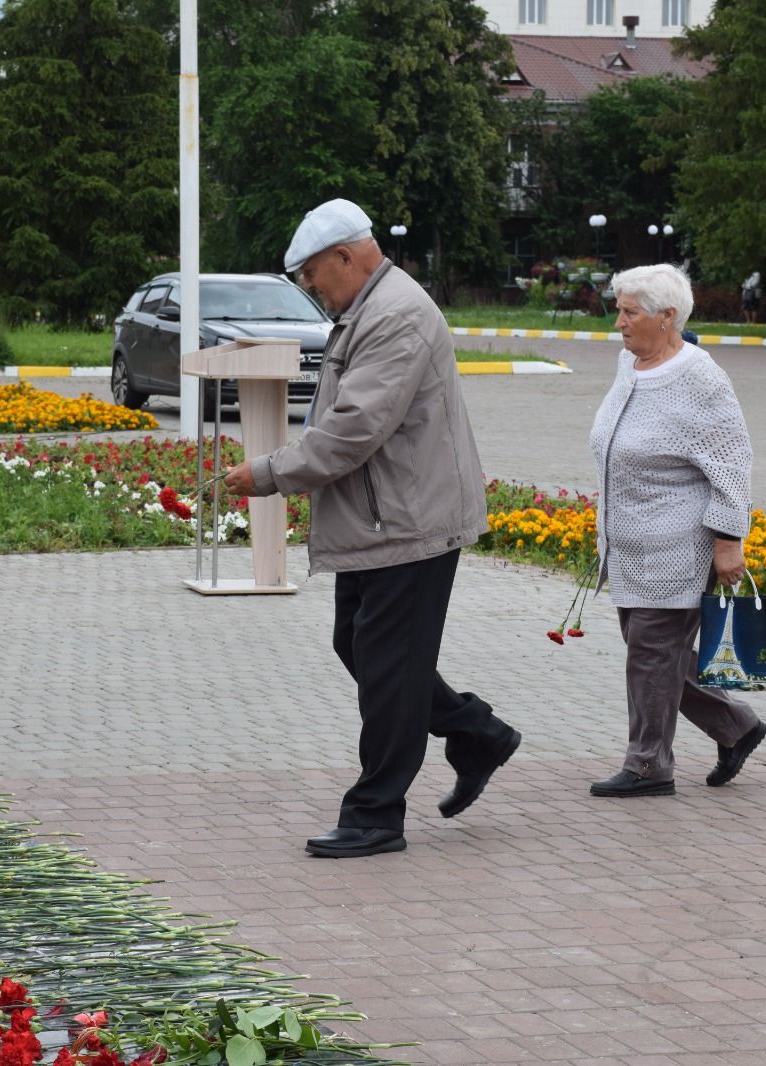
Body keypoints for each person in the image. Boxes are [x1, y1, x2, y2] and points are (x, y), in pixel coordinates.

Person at [222, 198, 520, 858]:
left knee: (387, 669)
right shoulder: (369, 308)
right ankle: (476, 732)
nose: (308, 286)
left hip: (408, 525)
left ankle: (376, 813)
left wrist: (268, 473)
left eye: (311, 273)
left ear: (347, 257)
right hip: (382, 520)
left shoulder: (398, 316)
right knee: (363, 651)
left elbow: (353, 429)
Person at [587, 263, 766, 799]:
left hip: (675, 545)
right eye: (617, 310)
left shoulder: (700, 378)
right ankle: (736, 727)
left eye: (629, 312)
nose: (618, 323)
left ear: (668, 318)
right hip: (628, 542)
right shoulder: (632, 363)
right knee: (656, 654)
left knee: (650, 653)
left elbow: (733, 463)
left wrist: (729, 540)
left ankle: (648, 765)